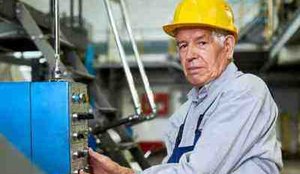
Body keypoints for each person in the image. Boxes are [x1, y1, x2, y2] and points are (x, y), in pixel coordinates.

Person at [81, 0, 283, 173]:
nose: (190, 55)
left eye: (201, 43)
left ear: (228, 46)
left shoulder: (246, 91)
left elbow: (198, 171)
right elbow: (175, 167)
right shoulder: (185, 114)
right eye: (183, 45)